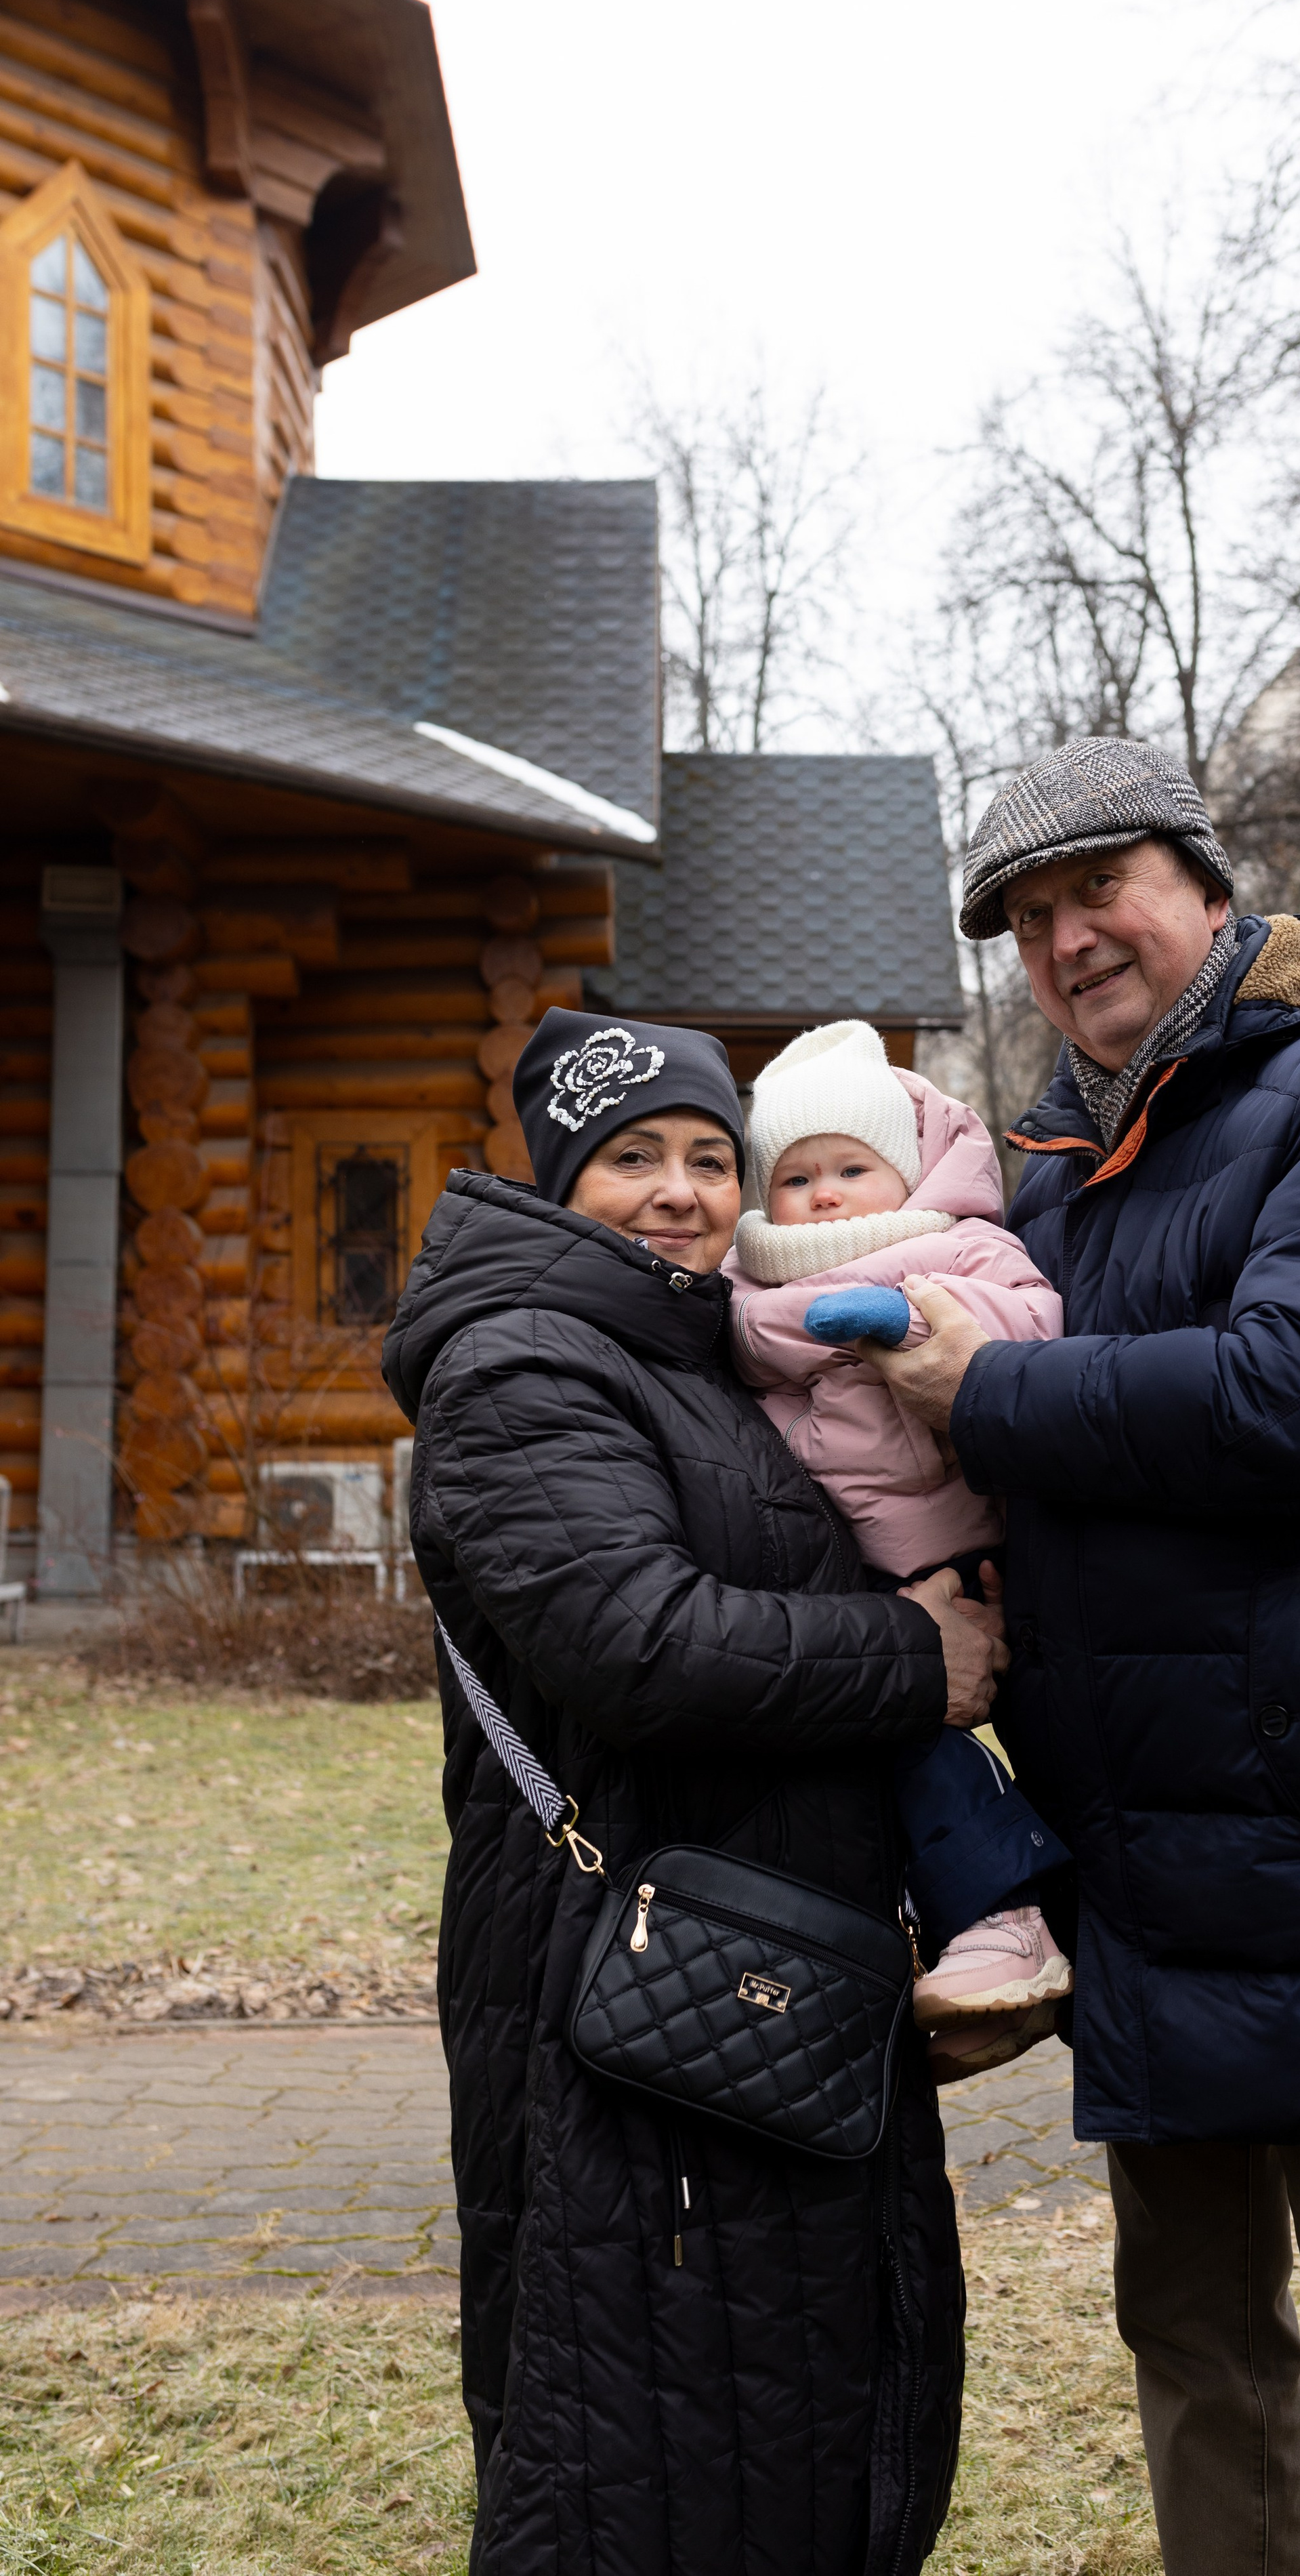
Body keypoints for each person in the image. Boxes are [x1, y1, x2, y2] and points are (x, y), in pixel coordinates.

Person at [860, 738, 1300, 2576]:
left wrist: (988, 1392)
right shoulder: (1070, 1166)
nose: (1067, 939)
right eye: (1026, 918)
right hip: (1146, 1868)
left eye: (1100, 889)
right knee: (1197, 2357)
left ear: (1206, 889)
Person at [382, 1008, 990, 2576]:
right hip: (625, 1989)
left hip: (749, 1974)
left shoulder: (691, 1351)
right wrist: (913, 1661)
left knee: (757, 2426)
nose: (678, 1191)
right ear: (561, 1177)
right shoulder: (521, 1363)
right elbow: (632, 1642)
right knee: (630, 2446)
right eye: (631, 1157)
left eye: (710, 1158)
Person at [724, 1018, 1072, 2077]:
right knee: (853, 1750)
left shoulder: (953, 1243)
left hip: (959, 1554)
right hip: (849, 1571)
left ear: (906, 1171)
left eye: (851, 1168)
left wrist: (913, 1322)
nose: (825, 1196)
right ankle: (930, 1934)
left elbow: (1032, 1322)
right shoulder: (752, 1294)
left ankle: (1007, 1911)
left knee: (918, 1745)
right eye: (797, 1176)